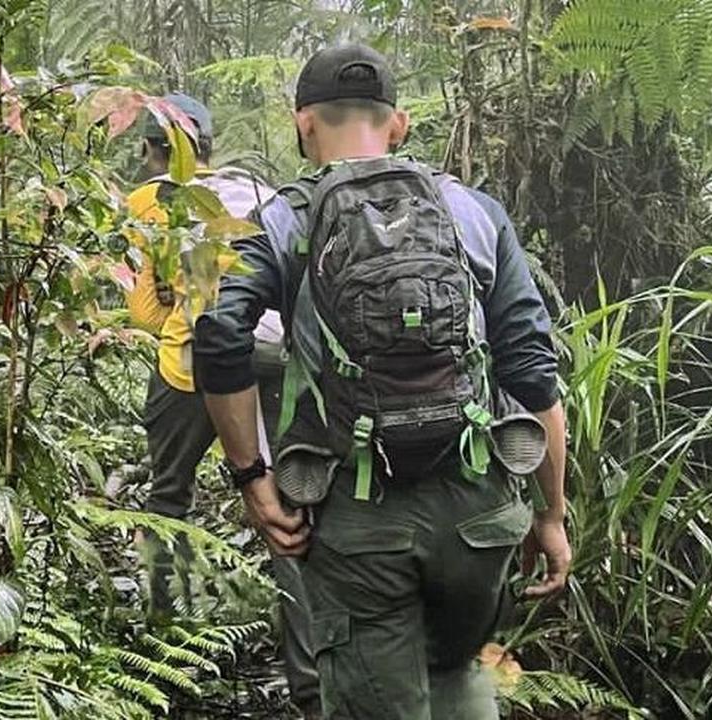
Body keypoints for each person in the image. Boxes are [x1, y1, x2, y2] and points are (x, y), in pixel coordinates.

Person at [191, 45, 571, 719]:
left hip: (357, 514)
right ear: (396, 124)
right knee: (455, 673)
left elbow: (221, 335)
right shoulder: (474, 214)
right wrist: (550, 514)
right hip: (478, 510)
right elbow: (532, 367)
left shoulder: (286, 220)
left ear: (304, 123)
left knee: (376, 694)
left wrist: (253, 478)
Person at [123, 93, 320, 718]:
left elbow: (145, 311)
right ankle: (311, 679)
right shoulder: (255, 190)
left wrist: (176, 306)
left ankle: (164, 644)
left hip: (193, 366)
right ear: (208, 146)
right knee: (284, 510)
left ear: (153, 151)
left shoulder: (149, 202)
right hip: (273, 355)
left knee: (168, 499)